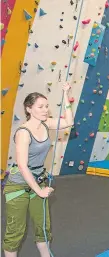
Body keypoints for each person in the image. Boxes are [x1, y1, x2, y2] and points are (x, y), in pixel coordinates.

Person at [2, 83, 74, 257]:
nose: (45, 110)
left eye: (47, 106)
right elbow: (22, 165)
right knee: (16, 231)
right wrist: (40, 192)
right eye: (40, 107)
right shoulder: (23, 132)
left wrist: (66, 94)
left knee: (43, 226)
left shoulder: (46, 124)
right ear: (29, 109)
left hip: (38, 180)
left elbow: (68, 122)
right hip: (18, 184)